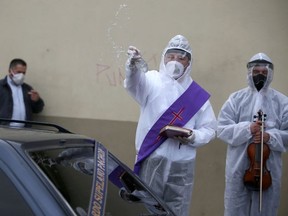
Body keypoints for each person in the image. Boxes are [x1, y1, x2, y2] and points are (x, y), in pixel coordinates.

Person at [124, 35, 216, 216]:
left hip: (182, 165)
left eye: (181, 57)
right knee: (147, 207)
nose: (175, 61)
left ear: (189, 62)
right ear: (164, 58)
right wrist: (132, 66)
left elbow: (210, 128)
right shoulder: (152, 80)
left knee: (178, 209)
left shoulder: (197, 94)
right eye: (171, 56)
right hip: (152, 158)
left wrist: (193, 135)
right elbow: (133, 84)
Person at [217, 53, 288, 216]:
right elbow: (221, 129)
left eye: (264, 72)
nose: (260, 75)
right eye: (256, 72)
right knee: (235, 206)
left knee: (266, 209)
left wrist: (270, 137)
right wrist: (247, 129)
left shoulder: (283, 102)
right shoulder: (235, 99)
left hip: (267, 169)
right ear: (249, 73)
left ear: (270, 74)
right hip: (239, 165)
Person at [0, 58, 44, 126]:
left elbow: (37, 110)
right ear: (10, 71)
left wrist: (37, 101)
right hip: (4, 130)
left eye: (24, 73)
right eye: (19, 72)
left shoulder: (27, 88)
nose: (21, 75)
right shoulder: (1, 86)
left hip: (24, 132)